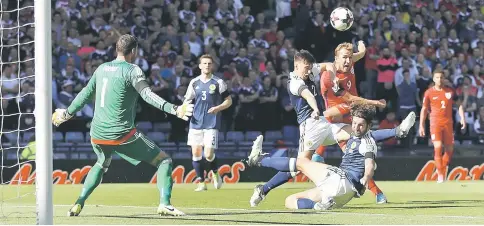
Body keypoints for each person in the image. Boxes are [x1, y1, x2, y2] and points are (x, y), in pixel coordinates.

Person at [249, 50, 413, 207]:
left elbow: (328, 65)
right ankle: (261, 167)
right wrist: (314, 108)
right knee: (299, 165)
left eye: (309, 67)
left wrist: (333, 77)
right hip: (310, 126)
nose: (308, 71)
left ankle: (398, 131)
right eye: (306, 68)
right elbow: (307, 94)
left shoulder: (309, 70)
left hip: (323, 123)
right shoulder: (294, 82)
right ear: (297, 66)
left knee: (360, 134)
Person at [52, 34, 190, 216]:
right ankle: (164, 203)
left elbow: (85, 93)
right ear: (134, 51)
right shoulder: (133, 70)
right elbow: (147, 95)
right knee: (164, 160)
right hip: (121, 133)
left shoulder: (101, 68)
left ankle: (78, 202)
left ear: (116, 49)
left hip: (97, 133)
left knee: (101, 163)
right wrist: (174, 109)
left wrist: (67, 113)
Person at [246, 104, 416, 210]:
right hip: (341, 196)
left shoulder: (367, 141)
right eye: (354, 123)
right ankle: (319, 206)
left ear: (368, 126)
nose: (356, 127)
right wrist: (396, 132)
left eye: (360, 125)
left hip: (342, 180)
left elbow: (370, 164)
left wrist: (366, 177)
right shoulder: (362, 135)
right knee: (290, 201)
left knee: (302, 162)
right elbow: (376, 135)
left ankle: (259, 160)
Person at [316, 42, 389, 204]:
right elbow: (350, 99)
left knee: (357, 159)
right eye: (345, 58)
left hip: (350, 117)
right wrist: (375, 102)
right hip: (334, 120)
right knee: (312, 159)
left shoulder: (350, 62)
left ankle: (376, 192)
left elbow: (361, 54)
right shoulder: (330, 77)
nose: (348, 61)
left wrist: (362, 46)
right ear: (336, 59)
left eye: (350, 57)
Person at [184, 54, 232, 192]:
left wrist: (218, 108)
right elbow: (187, 100)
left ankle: (215, 173)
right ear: (200, 66)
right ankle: (201, 183)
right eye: (204, 63)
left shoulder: (218, 82)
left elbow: (229, 101)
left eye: (209, 63)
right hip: (196, 123)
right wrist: (183, 109)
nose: (207, 66)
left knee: (209, 154)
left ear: (212, 66)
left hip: (211, 123)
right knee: (196, 153)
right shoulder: (194, 82)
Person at [419, 72, 466, 183]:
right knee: (438, 146)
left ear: (444, 79)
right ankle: (440, 175)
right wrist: (421, 125)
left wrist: (463, 119)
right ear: (434, 79)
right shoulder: (429, 93)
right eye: (437, 77)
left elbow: (459, 105)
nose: (439, 79)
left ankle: (442, 168)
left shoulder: (450, 91)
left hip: (448, 123)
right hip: (435, 123)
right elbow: (424, 109)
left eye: (441, 77)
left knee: (449, 150)